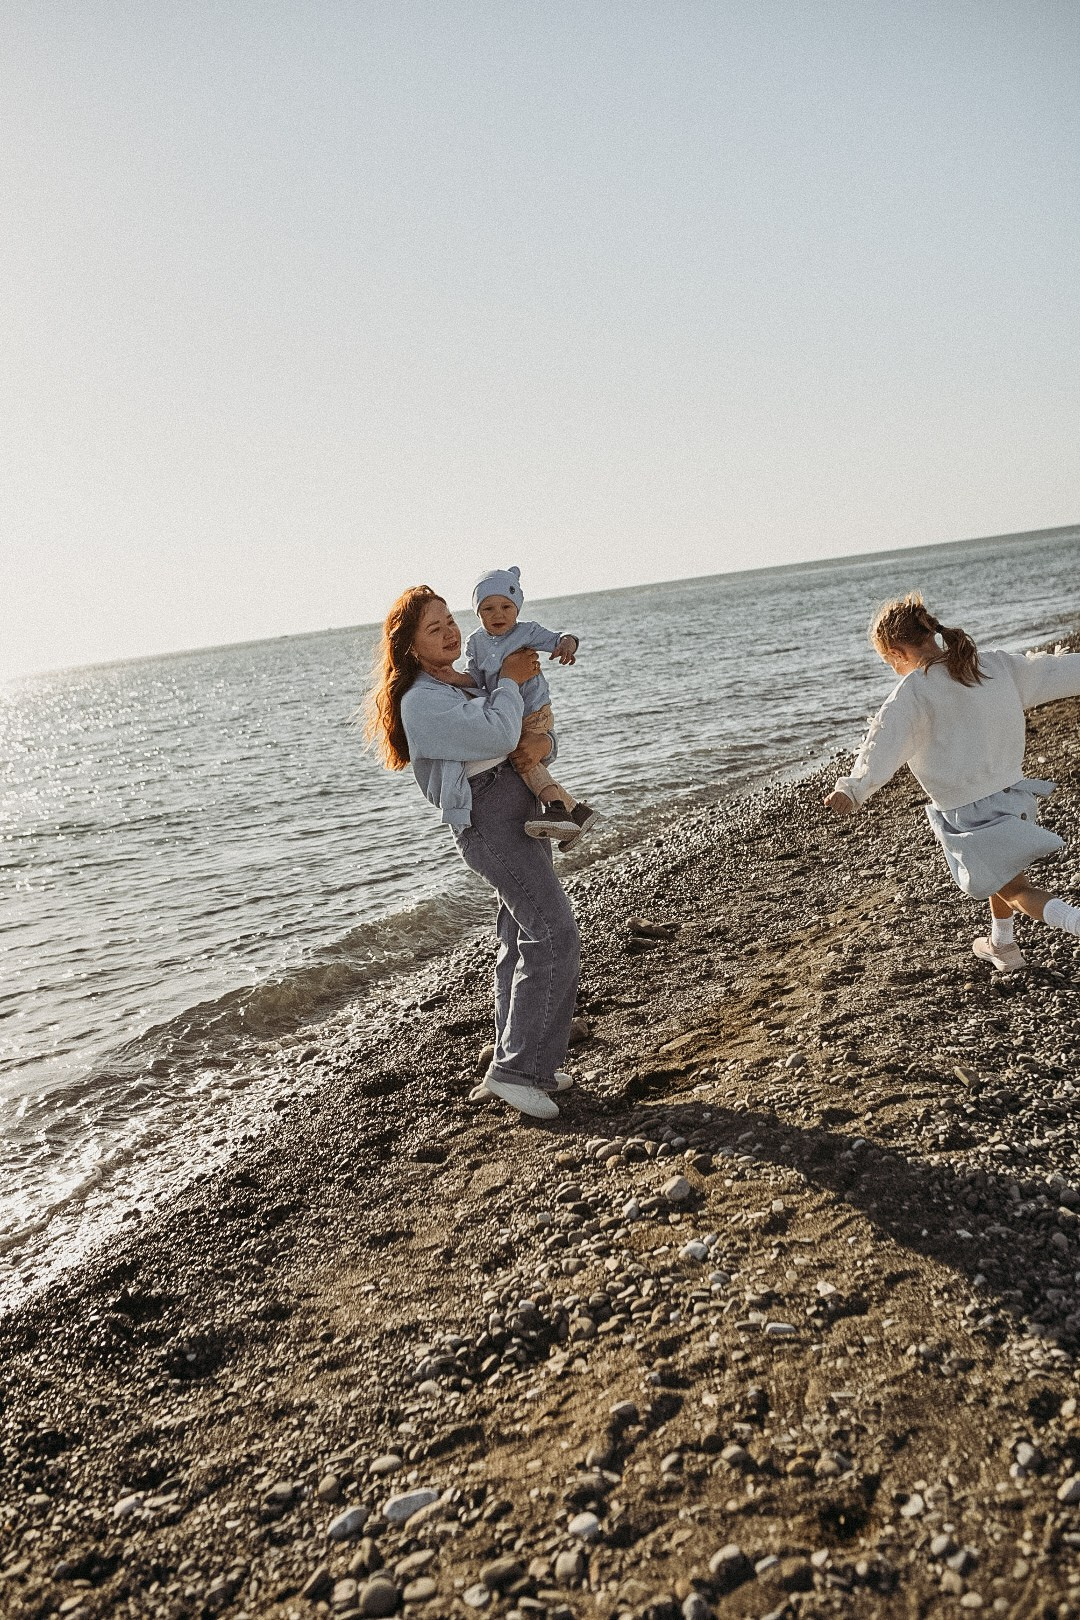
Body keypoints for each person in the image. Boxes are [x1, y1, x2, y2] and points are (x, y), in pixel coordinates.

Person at [365, 584, 580, 1120]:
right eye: (434, 629)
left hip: (517, 801)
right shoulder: (422, 703)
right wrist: (509, 680)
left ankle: (528, 1062)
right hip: (488, 819)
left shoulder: (467, 680)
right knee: (552, 931)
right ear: (411, 648)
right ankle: (515, 1071)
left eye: (450, 621)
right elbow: (497, 732)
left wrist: (544, 745)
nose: (451, 632)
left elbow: (528, 728)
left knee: (518, 936)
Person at [823, 593, 1080, 970]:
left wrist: (852, 788)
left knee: (1015, 890)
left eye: (887, 661)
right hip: (1015, 796)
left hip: (968, 813)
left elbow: (881, 745)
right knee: (1001, 872)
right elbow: (1053, 671)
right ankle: (1002, 945)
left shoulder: (912, 694)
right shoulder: (991, 666)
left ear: (896, 651)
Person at [466, 566, 599, 849]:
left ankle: (556, 808)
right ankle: (576, 812)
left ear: (517, 607)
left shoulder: (526, 632)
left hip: (534, 711)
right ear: (477, 613)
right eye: (487, 608)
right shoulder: (475, 642)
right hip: (507, 713)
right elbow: (473, 678)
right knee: (524, 760)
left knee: (523, 758)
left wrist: (567, 644)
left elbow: (561, 637)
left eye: (505, 606)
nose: (498, 614)